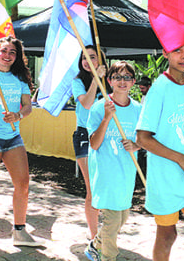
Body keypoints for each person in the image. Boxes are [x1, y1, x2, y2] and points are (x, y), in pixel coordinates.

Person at [136, 40, 184, 261]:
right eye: (177, 51)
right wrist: (179, 158)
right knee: (168, 235)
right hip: (166, 177)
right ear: (165, 53)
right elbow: (142, 138)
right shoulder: (158, 89)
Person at [0, 37, 41, 251]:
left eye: (12, 52)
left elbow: (28, 106)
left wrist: (18, 115)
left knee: (22, 183)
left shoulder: (20, 77)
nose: (7, 55)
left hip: (13, 137)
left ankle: (19, 231)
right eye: (4, 51)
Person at [84, 61, 142, 261]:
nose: (122, 81)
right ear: (109, 81)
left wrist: (137, 146)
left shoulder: (138, 109)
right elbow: (94, 144)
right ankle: (108, 256)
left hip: (126, 170)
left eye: (127, 77)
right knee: (112, 220)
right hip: (106, 171)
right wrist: (107, 118)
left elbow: (146, 138)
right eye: (117, 77)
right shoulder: (100, 107)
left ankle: (95, 245)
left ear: (133, 81)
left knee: (122, 217)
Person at [72, 44, 108, 240]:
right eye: (84, 57)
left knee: (106, 185)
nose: (87, 61)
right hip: (85, 136)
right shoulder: (77, 81)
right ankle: (94, 236)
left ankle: (108, 231)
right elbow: (86, 102)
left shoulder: (110, 81)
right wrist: (96, 78)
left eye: (92, 57)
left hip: (107, 137)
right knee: (92, 188)